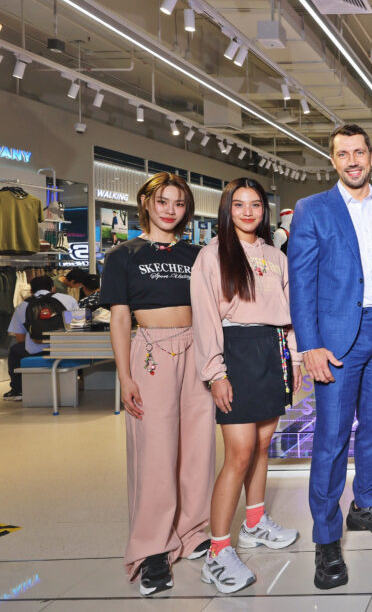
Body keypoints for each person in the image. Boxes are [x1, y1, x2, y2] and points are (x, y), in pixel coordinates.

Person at [289, 124, 372, 590]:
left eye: (359, 152)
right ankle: (326, 536)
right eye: (342, 153)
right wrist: (309, 345)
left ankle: (366, 505)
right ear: (333, 160)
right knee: (332, 438)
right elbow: (301, 282)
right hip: (335, 339)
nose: (352, 160)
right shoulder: (312, 209)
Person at [99, 172, 215, 596]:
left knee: (198, 447)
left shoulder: (198, 254)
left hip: (196, 350)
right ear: (146, 203)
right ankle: (152, 548)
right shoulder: (123, 254)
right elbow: (120, 317)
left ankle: (194, 530)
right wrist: (124, 375)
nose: (170, 210)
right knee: (155, 451)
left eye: (179, 203)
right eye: (162, 201)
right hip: (151, 352)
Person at [191, 178, 299, 594]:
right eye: (239, 205)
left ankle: (254, 522)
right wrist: (216, 373)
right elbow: (205, 318)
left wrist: (295, 357)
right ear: (227, 209)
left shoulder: (275, 255)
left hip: (272, 351)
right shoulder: (213, 255)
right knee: (238, 453)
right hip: (234, 352)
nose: (248, 212)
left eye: (255, 204)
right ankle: (218, 551)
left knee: (262, 445)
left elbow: (289, 313)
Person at [4, 276, 78, 402]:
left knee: (15, 350)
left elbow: (20, 338)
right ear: (53, 288)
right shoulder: (69, 300)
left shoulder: (23, 306)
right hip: (65, 349)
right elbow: (77, 325)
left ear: (31, 291)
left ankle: (17, 390)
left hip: (36, 350)